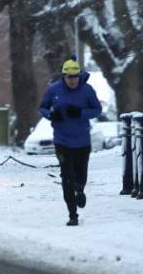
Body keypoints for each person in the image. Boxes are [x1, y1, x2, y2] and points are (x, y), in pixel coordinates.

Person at [38, 56, 103, 226]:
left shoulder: (87, 90)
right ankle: (72, 215)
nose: (72, 81)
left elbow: (97, 109)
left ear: (79, 76)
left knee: (80, 176)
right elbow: (42, 108)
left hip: (82, 141)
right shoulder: (54, 90)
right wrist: (51, 115)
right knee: (67, 177)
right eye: (69, 77)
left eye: (75, 77)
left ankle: (80, 189)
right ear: (64, 76)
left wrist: (81, 113)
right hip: (62, 142)